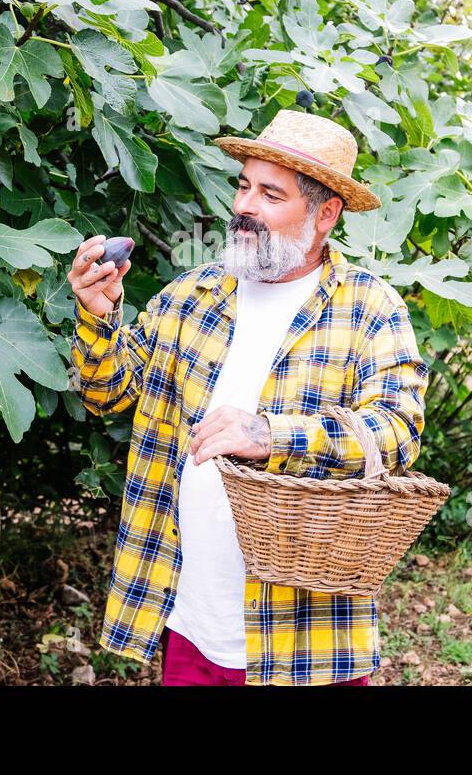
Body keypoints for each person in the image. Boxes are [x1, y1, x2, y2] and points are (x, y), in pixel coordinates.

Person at [67, 109, 428, 686]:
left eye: (270, 193)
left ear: (325, 214)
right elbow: (107, 393)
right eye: (243, 185)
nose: (245, 207)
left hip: (304, 632)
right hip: (192, 618)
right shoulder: (194, 293)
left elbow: (398, 430)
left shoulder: (369, 307)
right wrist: (96, 315)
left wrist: (270, 435)